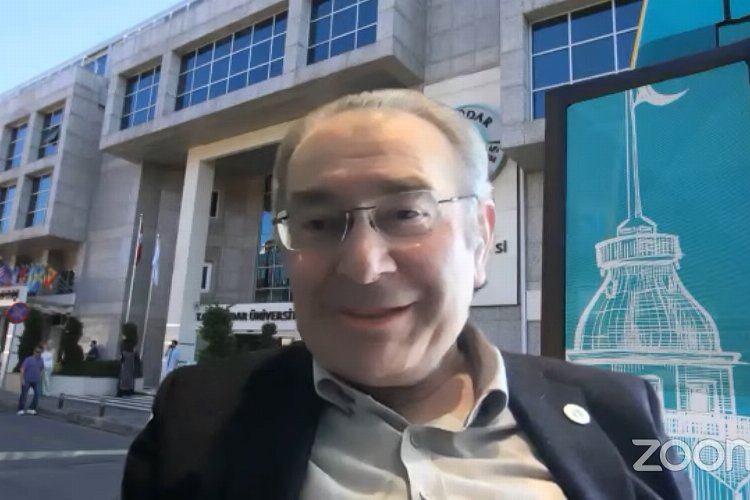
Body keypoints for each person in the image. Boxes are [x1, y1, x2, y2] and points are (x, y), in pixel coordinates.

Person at [122, 90, 692, 499]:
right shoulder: (196, 418)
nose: (364, 266)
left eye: (406, 215)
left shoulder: (619, 413)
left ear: (480, 238)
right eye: (319, 223)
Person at [18, 346, 45, 415]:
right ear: (34, 352)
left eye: (40, 352)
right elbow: (22, 369)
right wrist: (22, 379)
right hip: (27, 380)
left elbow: (41, 369)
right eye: (37, 352)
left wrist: (39, 376)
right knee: (24, 395)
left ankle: (31, 408)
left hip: (36, 381)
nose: (38, 353)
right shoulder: (28, 359)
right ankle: (21, 409)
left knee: (37, 394)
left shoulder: (41, 360)